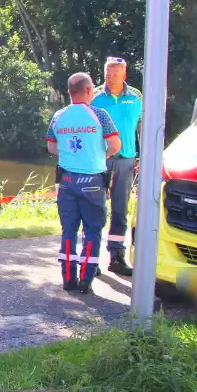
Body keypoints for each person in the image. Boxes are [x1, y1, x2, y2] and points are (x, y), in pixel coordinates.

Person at [47, 72, 122, 294]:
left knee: (68, 230)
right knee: (92, 231)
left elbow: (52, 147)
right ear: (89, 91)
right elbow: (116, 145)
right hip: (93, 182)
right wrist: (101, 155)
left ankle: (68, 278)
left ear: (69, 93)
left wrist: (70, 155)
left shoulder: (58, 116)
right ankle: (85, 281)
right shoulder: (100, 114)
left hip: (67, 181)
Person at [91, 56, 142, 277]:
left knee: (120, 210)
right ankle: (91, 259)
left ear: (124, 75)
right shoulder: (94, 97)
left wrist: (142, 156)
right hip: (99, 160)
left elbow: (142, 127)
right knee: (95, 209)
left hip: (126, 160)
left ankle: (117, 256)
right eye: (107, 73)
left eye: (115, 73)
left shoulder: (136, 97)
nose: (110, 78)